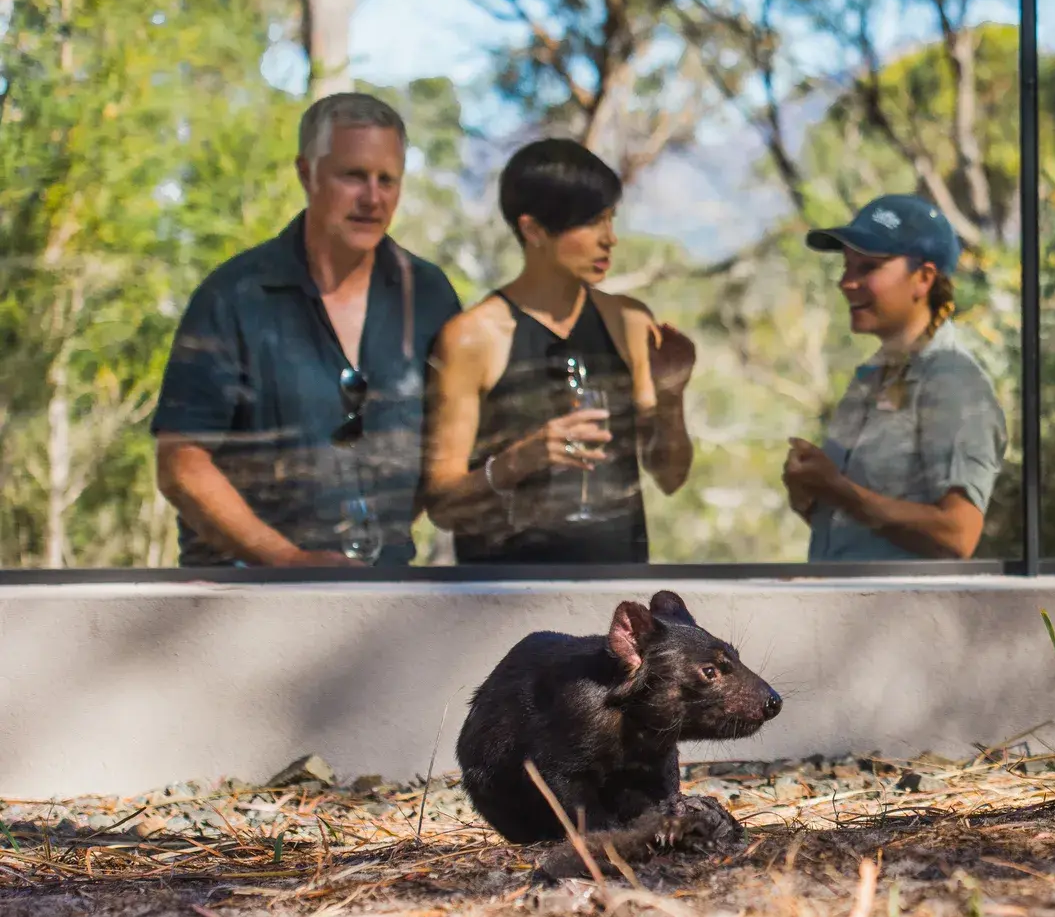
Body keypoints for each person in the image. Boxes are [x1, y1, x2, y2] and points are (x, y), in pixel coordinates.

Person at [151, 92, 463, 567]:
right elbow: (180, 463)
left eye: (388, 180)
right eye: (353, 175)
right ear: (306, 173)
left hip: (384, 595)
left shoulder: (428, 295)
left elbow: (448, 454)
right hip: (241, 603)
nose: (373, 198)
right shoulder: (233, 296)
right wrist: (287, 559)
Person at [421, 138, 694, 564]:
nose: (610, 239)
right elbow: (441, 503)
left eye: (611, 219)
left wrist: (672, 394)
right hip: (501, 600)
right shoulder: (471, 338)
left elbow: (671, 477)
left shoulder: (630, 323)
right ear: (533, 230)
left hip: (615, 596)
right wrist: (519, 460)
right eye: (591, 223)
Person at [785, 194, 1008, 561]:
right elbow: (863, 538)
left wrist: (839, 490)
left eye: (868, 267)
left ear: (923, 278)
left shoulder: (953, 382)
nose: (846, 283)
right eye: (847, 266)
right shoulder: (871, 378)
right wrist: (810, 495)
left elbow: (956, 536)